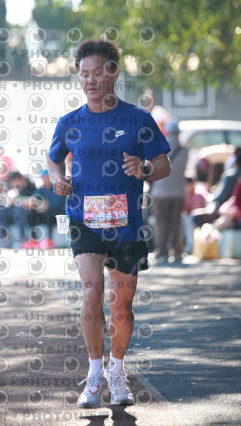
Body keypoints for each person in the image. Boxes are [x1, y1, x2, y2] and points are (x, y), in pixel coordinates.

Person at [47, 39, 171, 408]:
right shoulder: (69, 122)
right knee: (91, 291)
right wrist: (56, 178)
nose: (90, 80)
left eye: (97, 72)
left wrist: (144, 168)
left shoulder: (138, 119)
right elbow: (53, 159)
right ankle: (94, 374)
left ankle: (117, 371)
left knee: (122, 307)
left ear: (113, 73)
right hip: (84, 219)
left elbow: (163, 165)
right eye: (84, 74)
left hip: (126, 223)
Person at [151, 120, 188, 262]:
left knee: (161, 223)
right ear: (178, 133)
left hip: (160, 193)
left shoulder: (158, 149)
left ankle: (162, 251)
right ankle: (177, 252)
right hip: (178, 193)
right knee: (176, 223)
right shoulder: (185, 150)